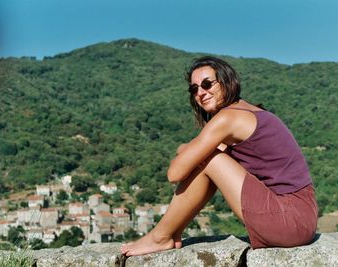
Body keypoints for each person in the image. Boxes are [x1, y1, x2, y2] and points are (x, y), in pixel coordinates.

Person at [121, 56, 318, 256]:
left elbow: (175, 173)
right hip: (302, 218)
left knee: (210, 160)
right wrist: (190, 151)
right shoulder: (247, 112)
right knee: (208, 157)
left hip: (290, 221)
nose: (200, 93)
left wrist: (187, 150)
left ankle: (161, 237)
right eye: (194, 89)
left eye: (207, 84)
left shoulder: (228, 118)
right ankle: (170, 234)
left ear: (227, 81)